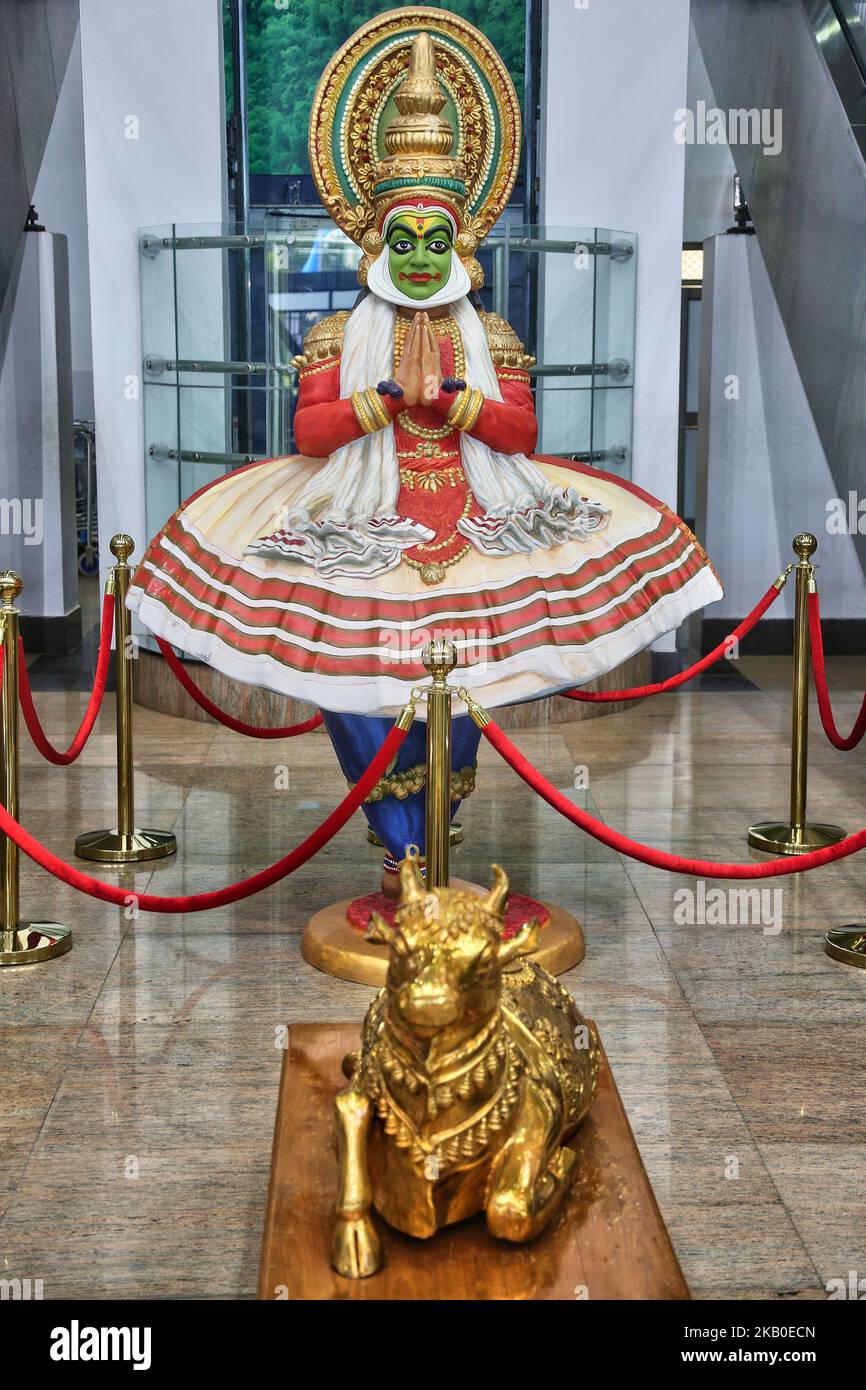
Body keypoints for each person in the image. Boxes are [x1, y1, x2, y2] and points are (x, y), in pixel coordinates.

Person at [128, 19, 721, 886]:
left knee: (468, 687)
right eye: (401, 241)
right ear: (374, 242)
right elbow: (309, 435)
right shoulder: (339, 332)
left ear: (462, 246)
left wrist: (450, 397)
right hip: (358, 527)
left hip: (480, 522)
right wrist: (383, 400)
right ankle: (402, 847)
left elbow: (521, 434)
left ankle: (432, 838)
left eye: (433, 242)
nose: (415, 259)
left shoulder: (491, 336)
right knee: (351, 686)